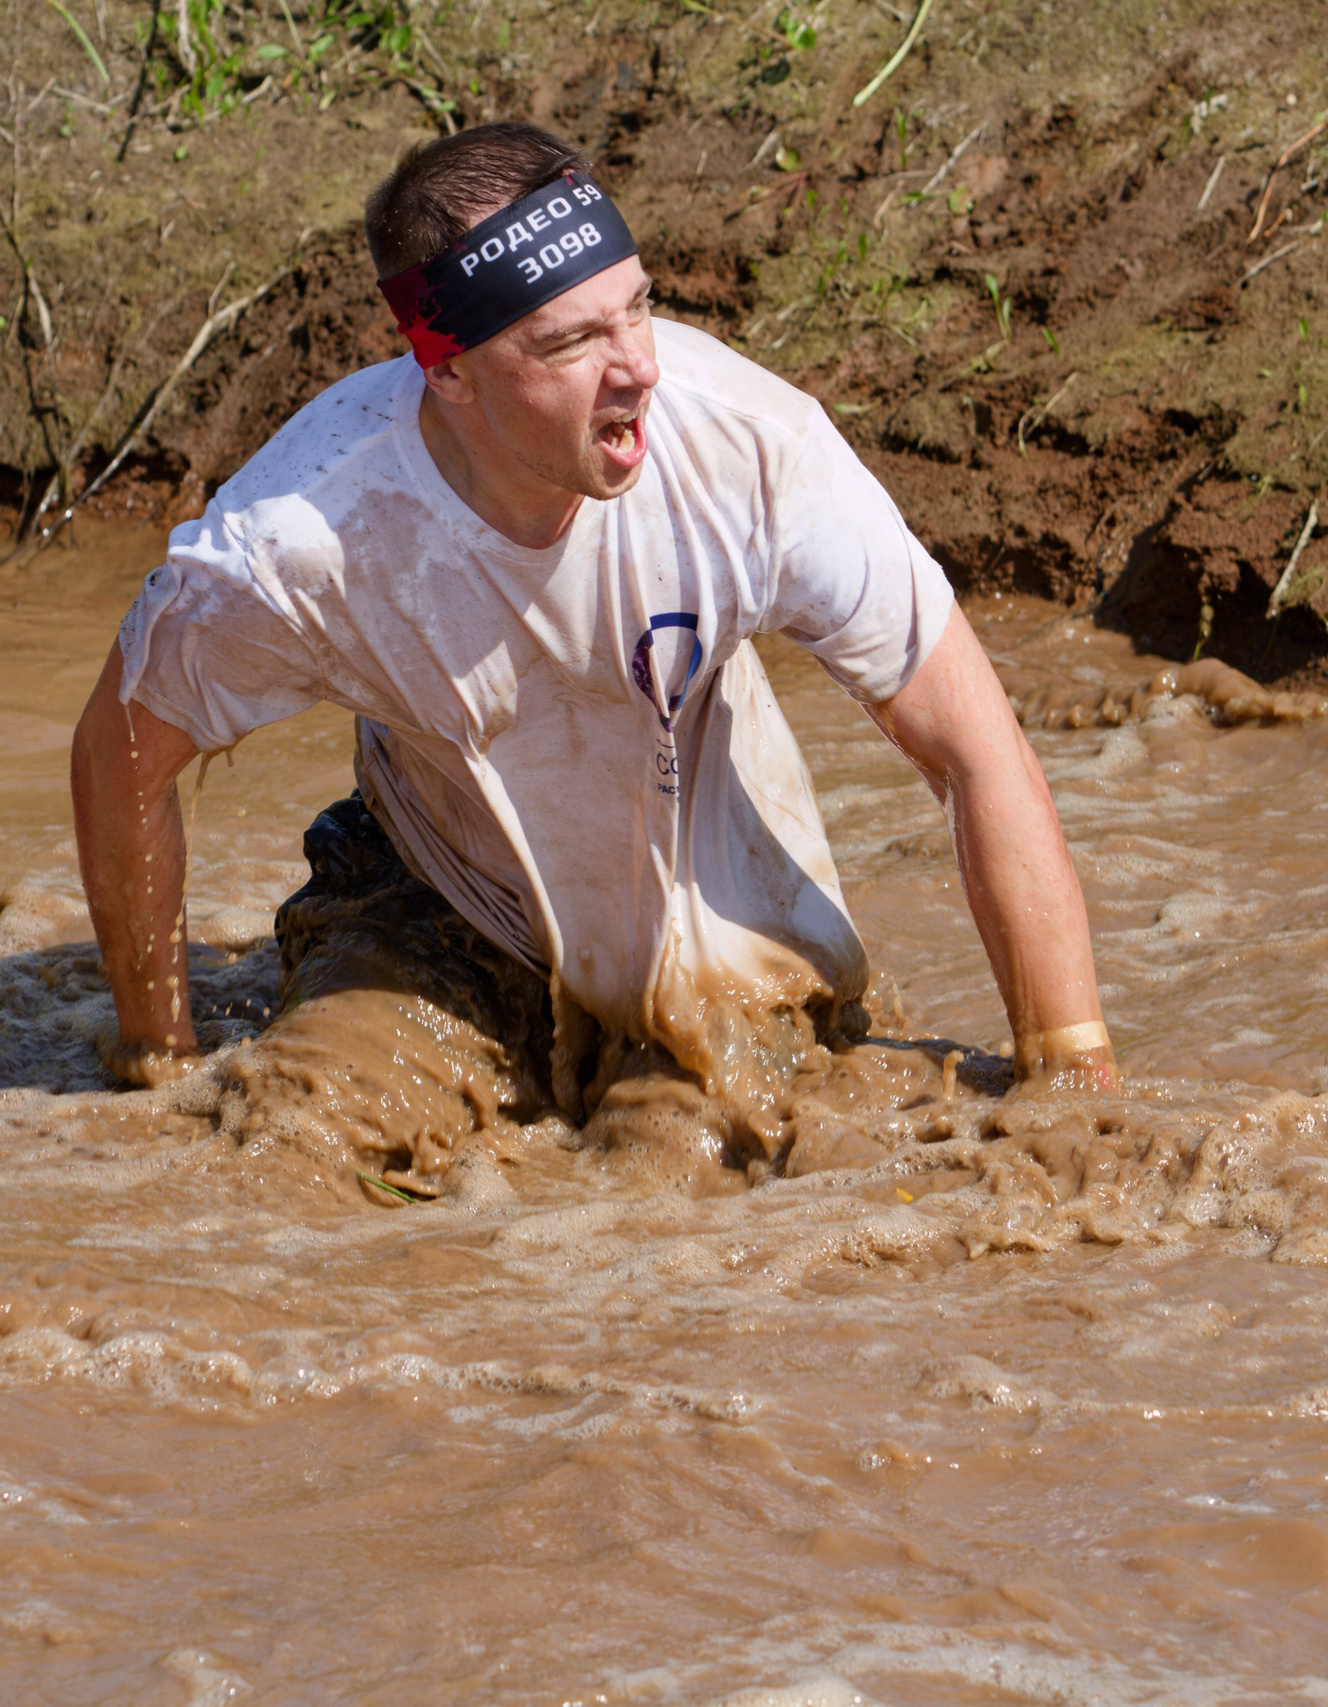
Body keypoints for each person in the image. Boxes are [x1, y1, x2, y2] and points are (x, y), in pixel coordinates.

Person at [71, 122, 1114, 1190]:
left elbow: (977, 755)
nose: (640, 370)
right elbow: (121, 757)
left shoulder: (754, 454)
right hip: (434, 904)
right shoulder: (305, 540)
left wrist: (1071, 1082)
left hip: (712, 916)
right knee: (285, 1159)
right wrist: (160, 1057)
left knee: (690, 1178)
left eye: (639, 306)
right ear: (450, 372)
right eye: (570, 343)